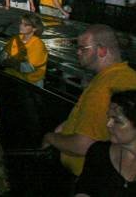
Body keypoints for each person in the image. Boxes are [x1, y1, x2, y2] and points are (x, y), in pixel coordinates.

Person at [43, 25, 136, 177]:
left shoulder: (103, 88)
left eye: (83, 48)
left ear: (102, 50)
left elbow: (83, 145)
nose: (77, 52)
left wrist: (51, 138)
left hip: (87, 175)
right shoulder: (128, 75)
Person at [75, 90, 136, 196]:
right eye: (109, 117)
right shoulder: (99, 152)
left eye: (117, 121)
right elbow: (83, 191)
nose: (108, 124)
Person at [0, 13, 48, 87]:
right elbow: (4, 56)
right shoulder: (16, 39)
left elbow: (31, 68)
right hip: (12, 77)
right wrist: (6, 61)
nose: (21, 26)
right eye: (21, 23)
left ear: (34, 29)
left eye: (26, 25)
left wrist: (12, 63)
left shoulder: (38, 44)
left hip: (30, 83)